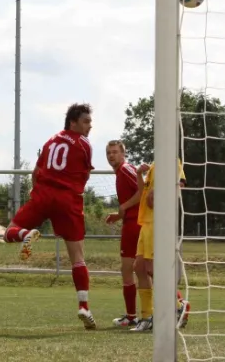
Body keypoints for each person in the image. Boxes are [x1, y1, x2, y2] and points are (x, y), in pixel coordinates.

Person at [2, 103, 96, 329]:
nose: (89, 126)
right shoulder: (83, 144)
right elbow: (84, 178)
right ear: (72, 122)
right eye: (85, 121)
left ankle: (26, 233)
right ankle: (83, 306)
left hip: (43, 195)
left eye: (90, 122)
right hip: (68, 200)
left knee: (8, 232)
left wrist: (39, 195)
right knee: (78, 257)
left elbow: (36, 173)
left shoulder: (49, 141)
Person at [130, 160, 191, 332]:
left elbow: (181, 185)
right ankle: (147, 316)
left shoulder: (171, 159)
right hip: (146, 223)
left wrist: (161, 191)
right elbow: (144, 194)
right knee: (139, 267)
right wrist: (139, 175)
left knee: (153, 270)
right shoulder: (154, 165)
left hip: (158, 222)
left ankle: (177, 306)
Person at [104, 140, 142, 327]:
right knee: (138, 268)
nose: (111, 155)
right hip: (132, 222)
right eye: (109, 153)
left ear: (123, 154)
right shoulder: (122, 172)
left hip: (136, 225)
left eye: (115, 152)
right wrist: (119, 215)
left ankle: (133, 316)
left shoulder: (126, 169)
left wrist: (124, 207)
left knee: (137, 269)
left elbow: (142, 192)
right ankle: (132, 315)